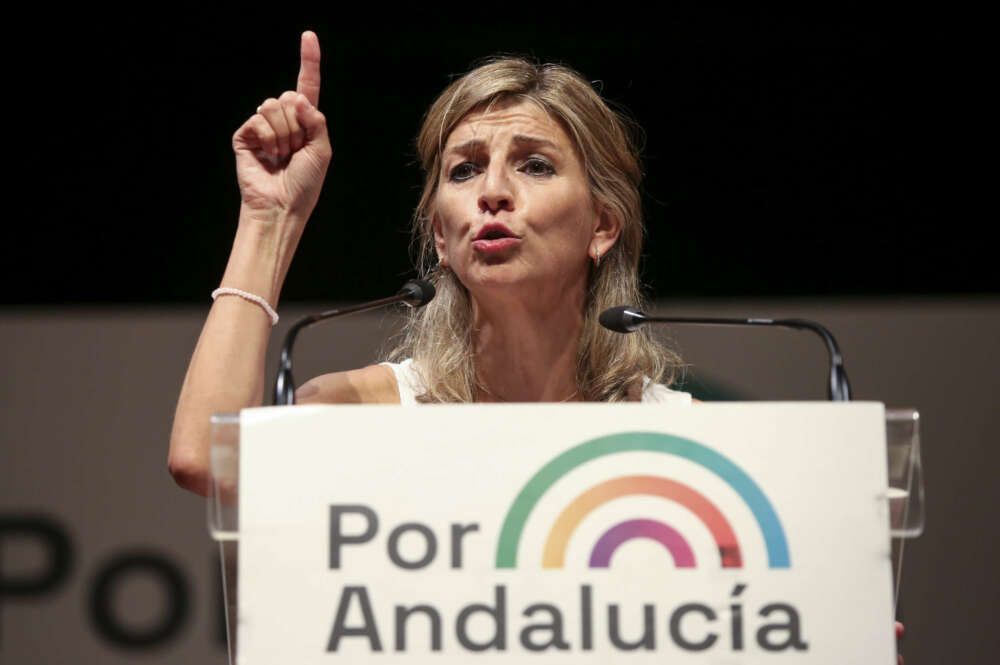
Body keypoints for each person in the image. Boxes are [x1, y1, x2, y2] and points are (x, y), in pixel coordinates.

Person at [168, 30, 688, 497]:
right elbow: (208, 460)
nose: (493, 193)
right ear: (441, 234)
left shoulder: (686, 441)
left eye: (535, 165)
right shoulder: (368, 415)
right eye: (464, 170)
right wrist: (270, 219)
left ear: (602, 226)